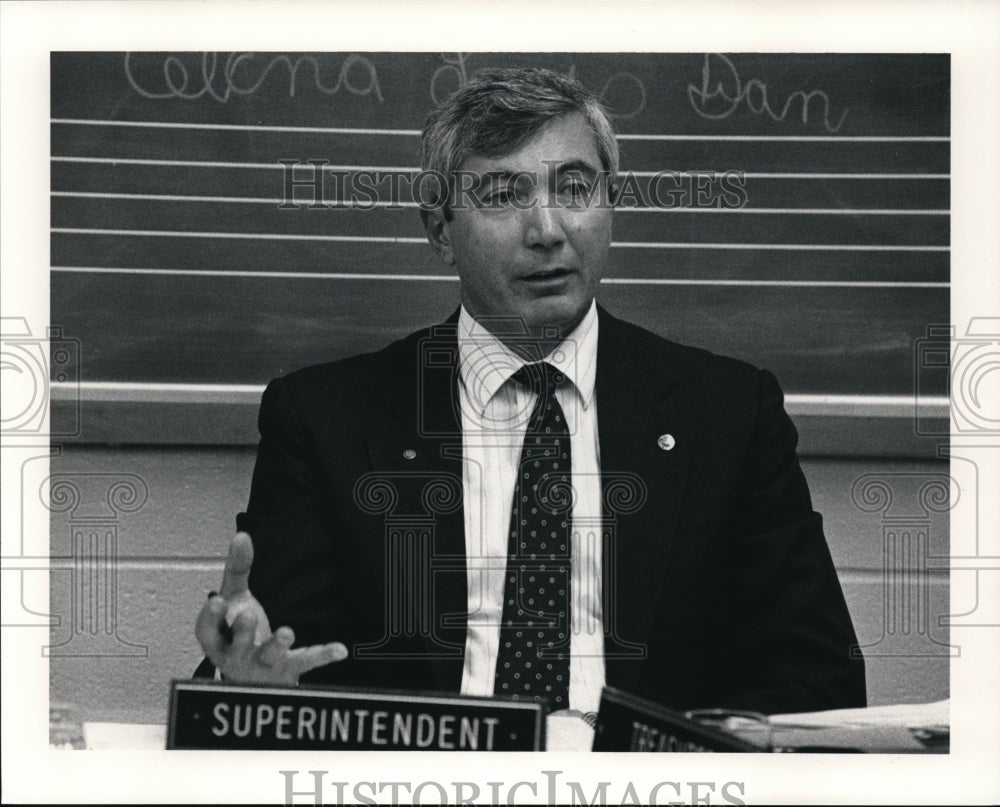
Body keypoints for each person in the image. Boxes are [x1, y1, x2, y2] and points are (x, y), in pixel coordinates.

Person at [195, 66, 866, 717]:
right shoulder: (324, 419)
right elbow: (275, 660)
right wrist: (249, 679)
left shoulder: (729, 413)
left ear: (612, 205)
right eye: (503, 195)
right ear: (438, 228)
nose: (547, 230)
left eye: (574, 188)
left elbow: (817, 682)